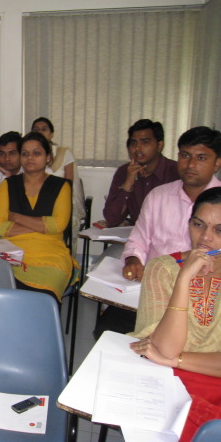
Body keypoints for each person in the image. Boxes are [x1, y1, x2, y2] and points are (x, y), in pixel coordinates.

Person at [130, 187, 221, 441]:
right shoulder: (162, 268)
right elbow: (164, 348)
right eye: (198, 224)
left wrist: (175, 359)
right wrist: (183, 280)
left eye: (219, 230)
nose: (205, 237)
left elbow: (167, 355)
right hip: (167, 382)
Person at [122, 126, 221, 282]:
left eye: (201, 158)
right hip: (153, 281)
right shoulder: (158, 196)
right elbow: (138, 240)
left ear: (217, 164)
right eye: (185, 155)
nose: (191, 164)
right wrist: (133, 260)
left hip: (205, 286)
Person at [0, 131, 76, 303]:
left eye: (36, 153)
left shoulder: (61, 186)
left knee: (44, 295)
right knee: (0, 291)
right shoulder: (7, 185)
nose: (30, 158)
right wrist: (42, 225)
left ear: (48, 157)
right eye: (25, 153)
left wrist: (15, 217)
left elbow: (58, 225)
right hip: (12, 251)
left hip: (51, 254)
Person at [103, 119, 179, 227]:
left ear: (159, 145)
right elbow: (112, 219)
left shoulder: (176, 172)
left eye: (145, 142)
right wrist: (127, 184)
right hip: (137, 234)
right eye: (133, 143)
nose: (137, 148)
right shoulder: (124, 172)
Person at [31, 117, 86, 250]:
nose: (39, 132)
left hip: (60, 203)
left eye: (44, 129)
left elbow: (68, 185)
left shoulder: (64, 153)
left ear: (51, 134)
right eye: (36, 130)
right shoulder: (29, 156)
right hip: (34, 203)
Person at [0, 131, 22, 210]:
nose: (6, 158)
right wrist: (6, 175)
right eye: (2, 154)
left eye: (12, 153)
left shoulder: (29, 172)